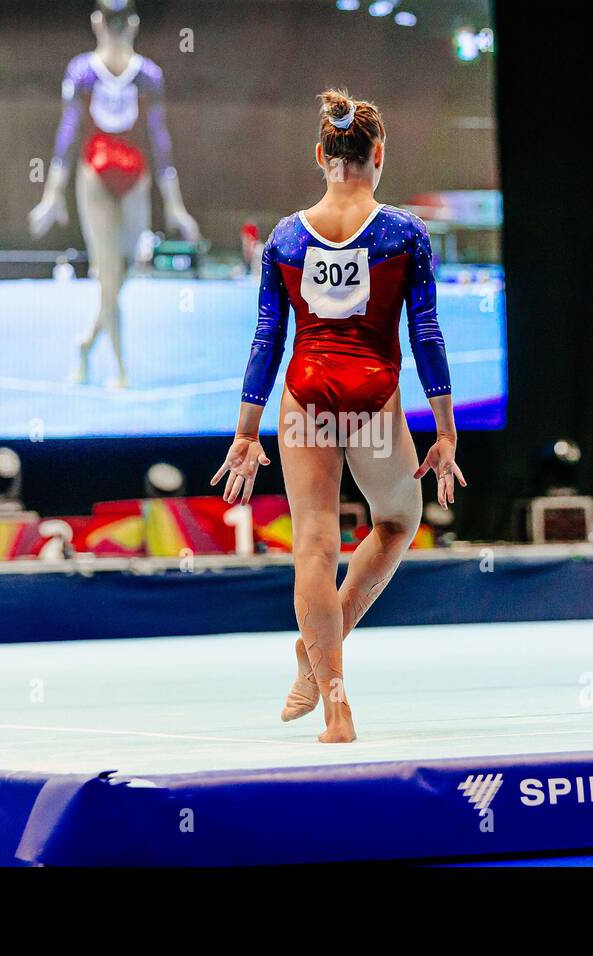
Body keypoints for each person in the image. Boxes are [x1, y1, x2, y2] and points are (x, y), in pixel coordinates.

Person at [211, 90, 464, 743]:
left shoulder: (287, 237)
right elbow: (426, 332)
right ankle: (322, 651)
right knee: (399, 522)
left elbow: (267, 336)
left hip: (305, 398)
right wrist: (445, 429)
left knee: (315, 546)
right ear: (377, 156)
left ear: (321, 154)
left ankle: (333, 697)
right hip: (375, 397)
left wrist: (246, 431)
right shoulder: (405, 233)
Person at [29, 0, 200, 388]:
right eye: (113, 20)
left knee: (126, 268)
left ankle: (86, 344)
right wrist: (52, 194)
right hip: (95, 175)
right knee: (108, 272)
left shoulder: (148, 76)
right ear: (99, 23)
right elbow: (68, 134)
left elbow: (159, 140)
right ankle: (121, 371)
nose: (117, 27)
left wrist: (175, 206)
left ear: (130, 25)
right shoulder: (82, 72)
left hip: (135, 176)